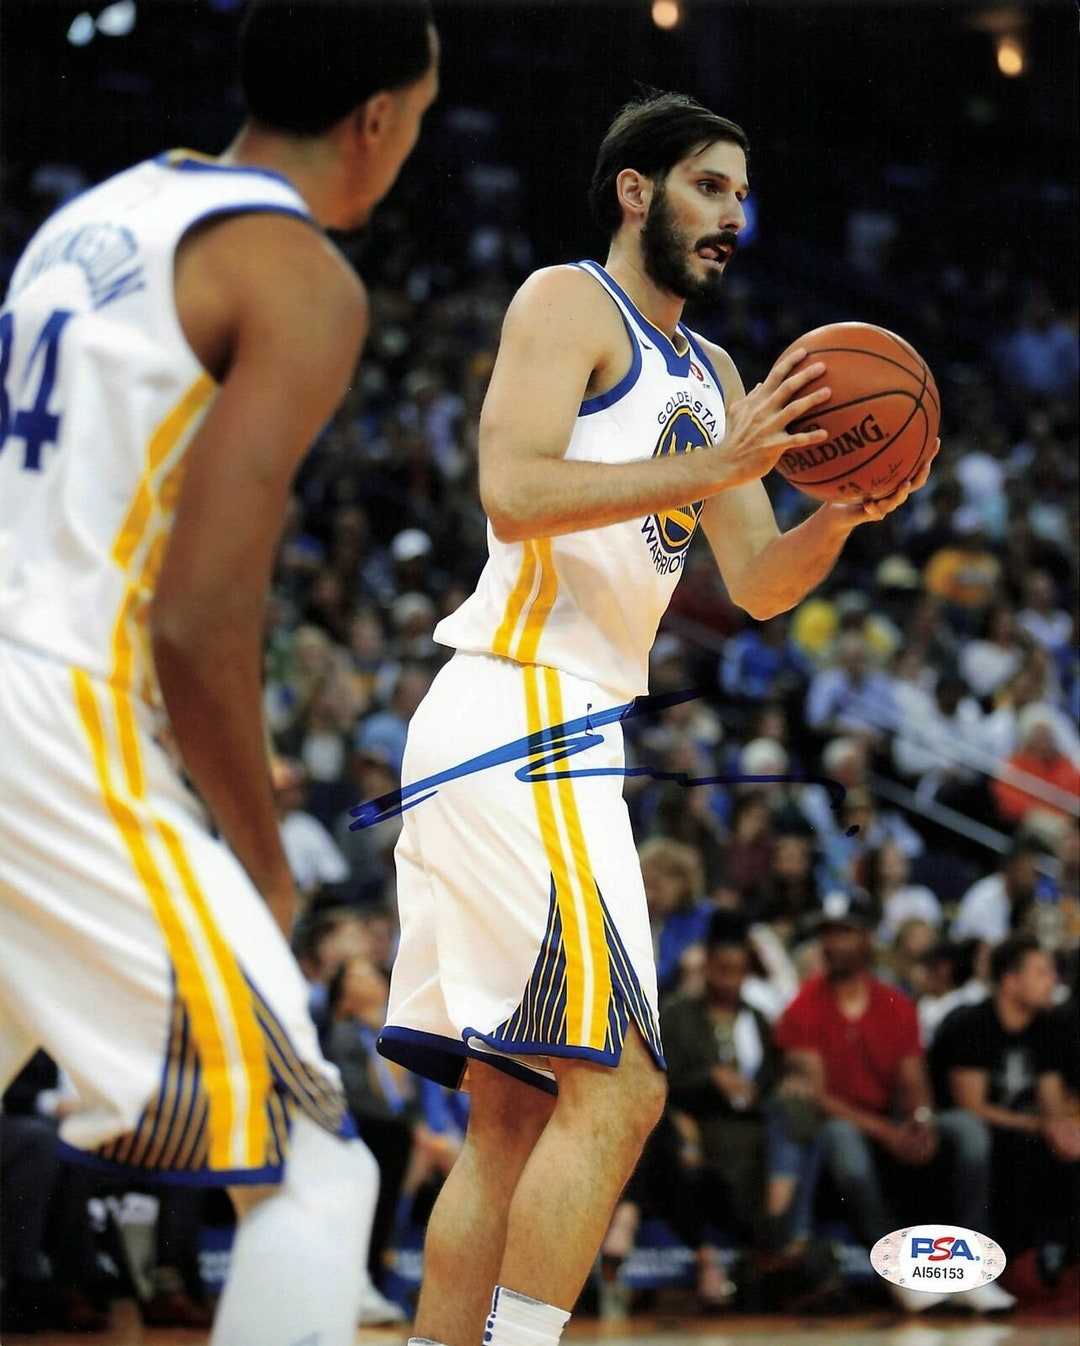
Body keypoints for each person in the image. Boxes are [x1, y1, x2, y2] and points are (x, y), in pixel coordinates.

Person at [370, 90, 935, 1346]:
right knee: (621, 1088)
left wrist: (842, 510)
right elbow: (513, 491)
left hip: (557, 728)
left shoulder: (716, 375)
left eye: (743, 195)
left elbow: (760, 583)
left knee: (515, 1115)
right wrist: (720, 464)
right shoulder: (567, 302)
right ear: (636, 190)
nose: (734, 215)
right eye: (709, 186)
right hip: (516, 704)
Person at [0, 5, 440, 1345]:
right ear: (377, 122)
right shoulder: (296, 273)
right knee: (312, 1163)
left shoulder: (90, 219)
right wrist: (260, 854)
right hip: (55, 716)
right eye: (417, 125)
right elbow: (198, 620)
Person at [772, 888, 1012, 1314]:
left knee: (968, 1129)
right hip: (841, 1133)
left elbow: (914, 1080)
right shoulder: (803, 1006)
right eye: (828, 933)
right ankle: (899, 1270)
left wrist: (921, 1120)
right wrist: (887, 1132)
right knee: (841, 1136)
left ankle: (971, 1269)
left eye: (844, 932)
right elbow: (818, 1097)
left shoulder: (896, 1003)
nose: (833, 943)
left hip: (890, 1122)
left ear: (868, 937)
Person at [929, 934, 1080, 1262]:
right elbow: (971, 1107)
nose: (1052, 982)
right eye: (1041, 973)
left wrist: (1063, 1130)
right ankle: (991, 1256)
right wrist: (1039, 1126)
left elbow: (1050, 1093)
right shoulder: (971, 1025)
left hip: (1022, 1129)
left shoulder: (1047, 1026)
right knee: (1008, 1149)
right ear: (1011, 982)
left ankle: (1061, 1260)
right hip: (962, 1130)